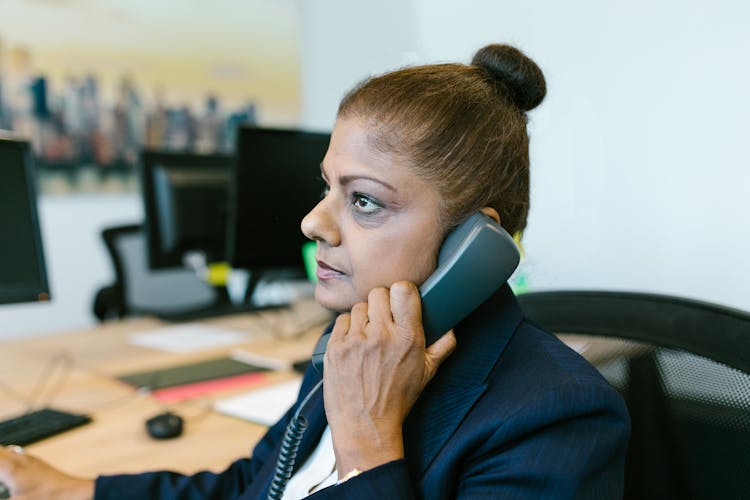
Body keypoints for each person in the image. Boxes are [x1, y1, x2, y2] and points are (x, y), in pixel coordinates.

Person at [0, 43, 630, 499]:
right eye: (327, 187)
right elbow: (254, 486)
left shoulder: (554, 413)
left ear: (476, 243)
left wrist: (367, 442)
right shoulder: (350, 348)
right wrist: (67, 490)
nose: (312, 223)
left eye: (364, 201)